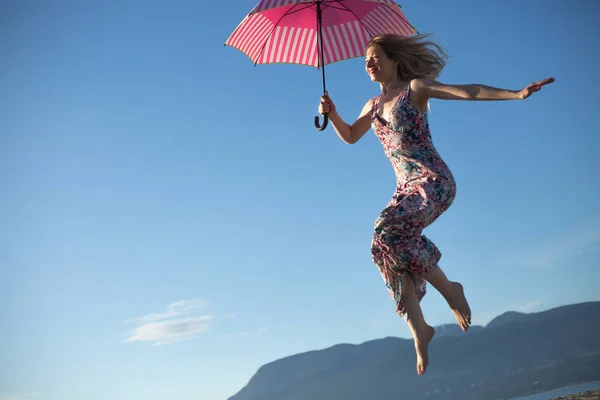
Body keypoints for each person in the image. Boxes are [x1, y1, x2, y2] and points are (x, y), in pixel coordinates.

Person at [318, 33, 554, 376]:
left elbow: (467, 91)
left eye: (375, 57)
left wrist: (516, 94)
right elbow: (351, 135)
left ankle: (450, 290)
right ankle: (420, 330)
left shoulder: (414, 89)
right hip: (405, 190)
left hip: (433, 182)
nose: (369, 63)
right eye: (365, 60)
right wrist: (333, 113)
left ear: (394, 60)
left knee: (385, 228)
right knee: (383, 247)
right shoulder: (372, 106)